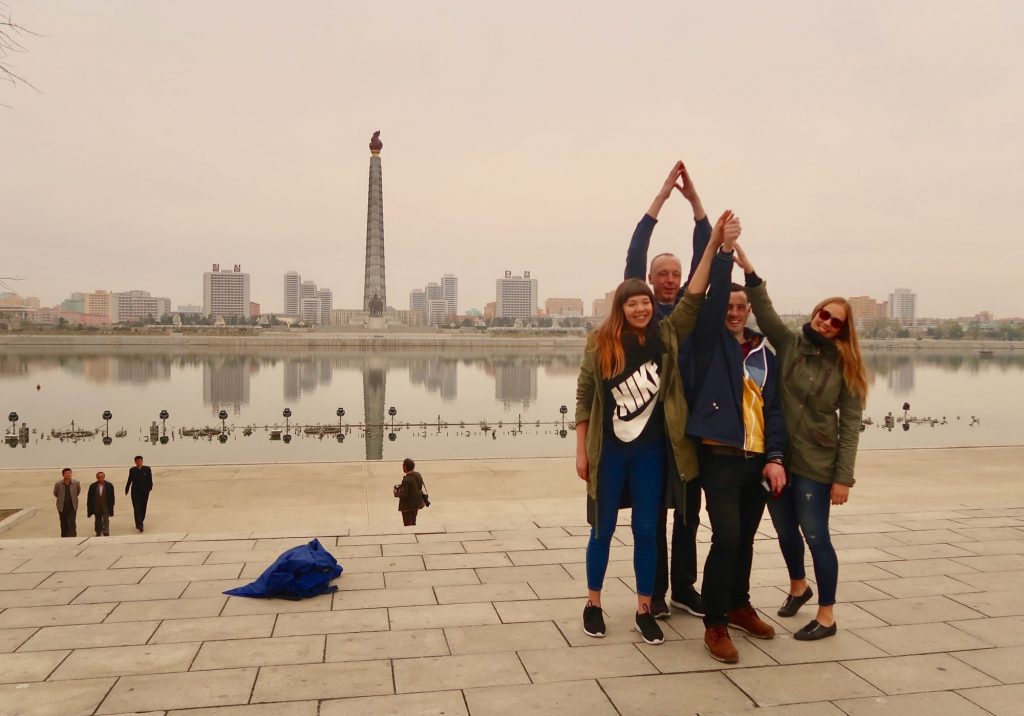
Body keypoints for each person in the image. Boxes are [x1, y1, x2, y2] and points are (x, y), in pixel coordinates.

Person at [576, 209, 738, 645]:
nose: (642, 307)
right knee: (601, 530)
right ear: (621, 307)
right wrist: (581, 451)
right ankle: (593, 603)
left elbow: (695, 294)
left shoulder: (667, 335)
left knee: (648, 531)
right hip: (609, 453)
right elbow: (584, 398)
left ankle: (646, 607)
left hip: (650, 454)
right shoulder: (600, 344)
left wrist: (716, 246)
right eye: (633, 302)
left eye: (646, 301)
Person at [734, 242, 868, 641]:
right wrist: (749, 272)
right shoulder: (790, 344)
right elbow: (765, 310)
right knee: (784, 532)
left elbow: (851, 425)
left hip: (817, 464)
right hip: (778, 458)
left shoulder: (847, 367)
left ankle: (827, 615)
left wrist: (843, 478)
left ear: (844, 330)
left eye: (836, 322)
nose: (826, 323)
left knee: (816, 536)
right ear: (815, 313)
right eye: (824, 314)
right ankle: (798, 585)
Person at [684, 227, 788, 663]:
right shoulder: (708, 345)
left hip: (757, 461)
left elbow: (776, 410)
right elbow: (709, 304)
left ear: (749, 311)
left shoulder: (764, 353)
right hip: (720, 459)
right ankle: (714, 623)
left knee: (744, 539)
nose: (733, 311)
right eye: (727, 305)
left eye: (740, 306)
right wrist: (723, 252)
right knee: (726, 537)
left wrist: (776, 457)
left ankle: (740, 604)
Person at [622, 160, 710, 619]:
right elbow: (637, 250)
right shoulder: (644, 314)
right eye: (663, 275)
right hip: (651, 427)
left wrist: (696, 204)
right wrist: (660, 198)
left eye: (677, 274)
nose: (672, 280)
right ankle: (653, 592)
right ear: (650, 282)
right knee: (653, 515)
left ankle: (684, 589)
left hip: (689, 425)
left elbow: (705, 258)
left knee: (689, 517)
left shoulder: (690, 313)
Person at [125, 455, 153, 533]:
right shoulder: (132, 470)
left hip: (144, 492)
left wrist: (149, 489)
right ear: (135, 462)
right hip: (135, 492)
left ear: (142, 461)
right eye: (137, 461)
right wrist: (127, 489)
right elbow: (129, 480)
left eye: (140, 461)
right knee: (136, 508)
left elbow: (150, 480)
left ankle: (140, 521)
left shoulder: (147, 469)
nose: (139, 462)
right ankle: (140, 525)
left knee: (143, 508)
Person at [53, 467, 81, 538]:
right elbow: (55, 493)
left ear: (71, 474)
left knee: (72, 521)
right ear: (63, 475)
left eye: (69, 473)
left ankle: (72, 535)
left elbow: (77, 492)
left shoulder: (76, 483)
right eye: (66, 473)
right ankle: (64, 536)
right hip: (62, 506)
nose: (68, 475)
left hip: (72, 506)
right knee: (63, 522)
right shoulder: (58, 484)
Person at [397, 458, 426, 526]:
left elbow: (404, 496)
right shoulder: (418, 475)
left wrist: (397, 493)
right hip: (416, 505)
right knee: (413, 523)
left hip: (407, 508)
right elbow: (416, 487)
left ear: (405, 467)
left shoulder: (406, 480)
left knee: (408, 526)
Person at [87, 471, 116, 537]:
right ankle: (98, 531)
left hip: (106, 505)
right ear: (97, 478)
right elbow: (89, 497)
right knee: (98, 519)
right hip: (96, 506)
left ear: (104, 477)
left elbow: (112, 496)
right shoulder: (93, 486)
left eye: (102, 477)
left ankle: (106, 531)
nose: (100, 479)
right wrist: (90, 507)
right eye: (99, 477)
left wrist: (112, 504)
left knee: (106, 519)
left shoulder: (109, 485)